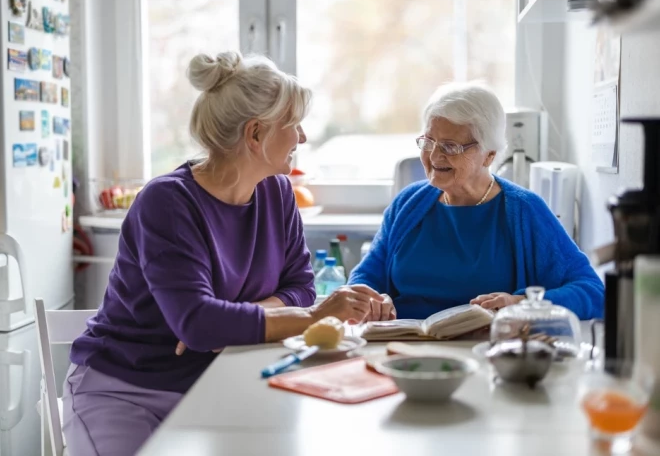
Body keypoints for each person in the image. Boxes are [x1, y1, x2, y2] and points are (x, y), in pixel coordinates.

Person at [62, 51, 381, 456]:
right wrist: (313, 317)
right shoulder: (166, 202)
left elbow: (299, 284)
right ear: (255, 134)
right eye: (294, 125)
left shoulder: (277, 192)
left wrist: (229, 321)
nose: (302, 138)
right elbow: (199, 323)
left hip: (216, 380)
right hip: (126, 389)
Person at [350, 81, 604, 322]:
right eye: (428, 142)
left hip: (487, 354)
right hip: (403, 347)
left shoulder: (524, 210)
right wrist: (374, 299)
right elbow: (364, 277)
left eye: (450, 146)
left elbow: (593, 292)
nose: (434, 155)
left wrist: (522, 304)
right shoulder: (408, 204)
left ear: (488, 155)